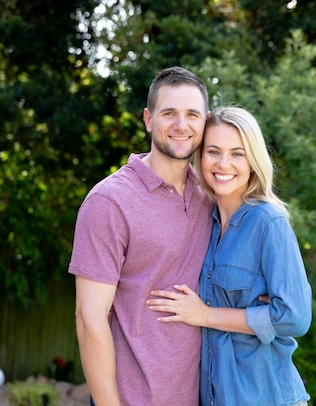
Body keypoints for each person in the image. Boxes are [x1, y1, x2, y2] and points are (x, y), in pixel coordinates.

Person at [147, 106, 312, 406]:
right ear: (200, 157)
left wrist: (206, 315)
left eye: (237, 153)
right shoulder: (203, 222)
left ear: (252, 161)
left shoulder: (268, 222)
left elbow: (295, 317)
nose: (224, 164)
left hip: (267, 397)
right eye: (213, 151)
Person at [68, 66, 214, 406]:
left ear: (205, 122)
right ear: (148, 119)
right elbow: (89, 318)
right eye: (169, 113)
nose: (181, 125)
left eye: (192, 114)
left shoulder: (210, 198)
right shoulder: (109, 202)